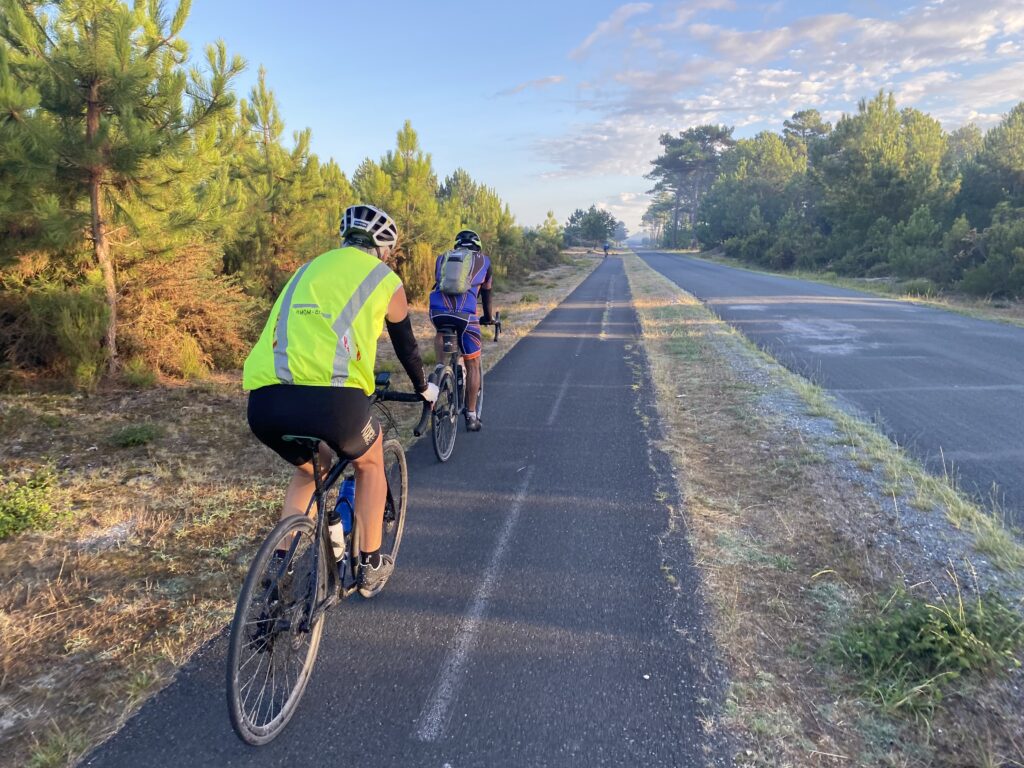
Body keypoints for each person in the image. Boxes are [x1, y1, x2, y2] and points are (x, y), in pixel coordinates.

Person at [242, 204, 437, 598]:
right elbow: (407, 348)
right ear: (384, 248)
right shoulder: (385, 278)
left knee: (310, 470)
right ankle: (369, 563)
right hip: (335, 405)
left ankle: (278, 569)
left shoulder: (306, 270)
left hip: (265, 402)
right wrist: (423, 388)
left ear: (345, 239)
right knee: (370, 462)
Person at [428, 229, 493, 431]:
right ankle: (471, 416)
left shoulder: (442, 258)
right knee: (472, 364)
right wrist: (488, 318)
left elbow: (439, 283)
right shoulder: (484, 261)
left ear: (457, 245)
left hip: (438, 311)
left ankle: (440, 369)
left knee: (442, 331)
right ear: (478, 247)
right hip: (465, 316)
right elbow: (487, 295)